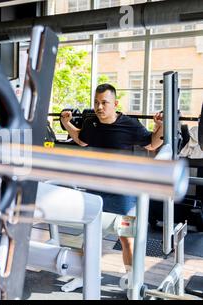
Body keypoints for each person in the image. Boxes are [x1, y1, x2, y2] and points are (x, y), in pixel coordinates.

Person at [59, 83, 164, 293]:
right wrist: (66, 123)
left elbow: (152, 144)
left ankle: (132, 282)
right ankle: (84, 275)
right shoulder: (91, 123)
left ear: (115, 104)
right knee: (91, 234)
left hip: (124, 192)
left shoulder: (130, 125)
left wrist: (161, 126)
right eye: (96, 102)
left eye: (104, 103)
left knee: (126, 238)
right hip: (97, 188)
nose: (99, 107)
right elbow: (81, 139)